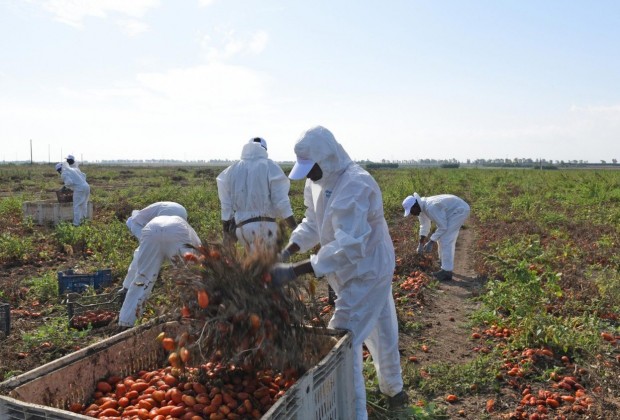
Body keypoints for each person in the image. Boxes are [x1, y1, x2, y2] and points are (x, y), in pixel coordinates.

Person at [270, 126, 407, 419]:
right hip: (349, 270)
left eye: (312, 168)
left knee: (344, 339)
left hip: (367, 269)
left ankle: (353, 412)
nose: (308, 175)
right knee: (382, 329)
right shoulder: (317, 181)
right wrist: (287, 251)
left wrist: (294, 271)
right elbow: (312, 222)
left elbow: (349, 247)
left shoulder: (356, 185)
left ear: (328, 158)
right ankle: (395, 392)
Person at [118, 215, 201, 328]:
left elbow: (138, 263)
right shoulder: (195, 241)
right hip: (177, 232)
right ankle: (193, 317)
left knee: (142, 279)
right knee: (189, 279)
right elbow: (196, 271)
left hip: (151, 229)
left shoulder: (180, 226)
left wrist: (127, 284)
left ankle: (125, 322)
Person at [216, 137, 297, 252]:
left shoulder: (232, 169)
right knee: (269, 267)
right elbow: (281, 202)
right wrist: (294, 227)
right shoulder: (270, 166)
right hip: (265, 228)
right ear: (265, 150)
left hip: (242, 229)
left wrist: (226, 234)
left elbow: (226, 206)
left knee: (253, 265)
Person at [402, 192, 470, 281]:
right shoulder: (421, 209)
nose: (412, 214)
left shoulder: (431, 207)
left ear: (415, 206)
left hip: (459, 210)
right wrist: (421, 244)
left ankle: (446, 272)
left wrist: (431, 241)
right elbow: (424, 225)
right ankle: (442, 262)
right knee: (442, 237)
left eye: (411, 211)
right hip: (453, 210)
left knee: (446, 239)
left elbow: (443, 227)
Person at [55, 162, 90, 226]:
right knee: (84, 205)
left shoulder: (64, 173)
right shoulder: (74, 169)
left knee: (76, 206)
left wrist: (64, 188)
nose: (59, 172)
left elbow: (69, 182)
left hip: (80, 189)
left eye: (58, 171)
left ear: (59, 170)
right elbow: (84, 175)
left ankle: (76, 224)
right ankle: (83, 221)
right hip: (87, 187)